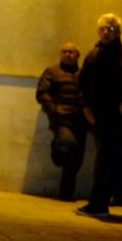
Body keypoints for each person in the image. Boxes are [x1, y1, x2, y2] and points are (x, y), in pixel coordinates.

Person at [76, 13, 122, 218]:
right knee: (110, 160)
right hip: (98, 116)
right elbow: (83, 84)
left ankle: (104, 202)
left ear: (118, 32)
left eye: (111, 29)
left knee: (111, 160)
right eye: (103, 28)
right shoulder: (93, 55)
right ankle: (105, 202)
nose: (106, 32)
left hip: (117, 118)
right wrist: (86, 108)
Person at [36, 42, 87, 202]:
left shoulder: (83, 73)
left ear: (77, 55)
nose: (68, 54)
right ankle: (57, 151)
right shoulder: (52, 71)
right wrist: (54, 109)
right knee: (67, 145)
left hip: (81, 121)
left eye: (72, 52)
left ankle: (65, 194)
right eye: (65, 51)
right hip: (62, 120)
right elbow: (42, 92)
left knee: (76, 160)